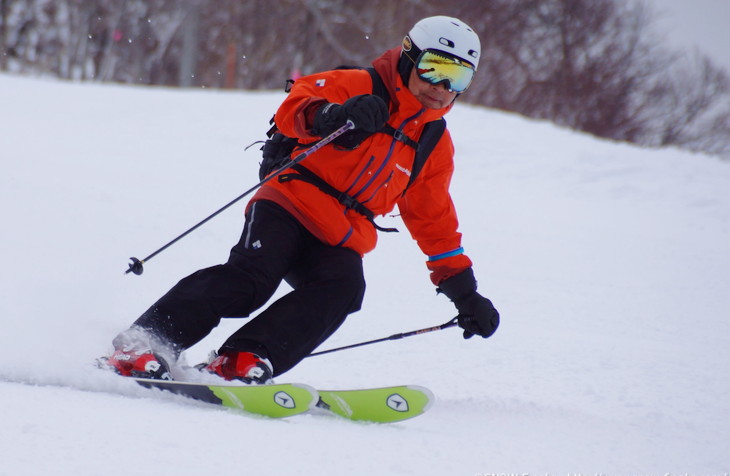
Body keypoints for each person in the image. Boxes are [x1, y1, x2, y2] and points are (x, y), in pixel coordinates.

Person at [104, 15, 500, 384]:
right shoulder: (358, 84)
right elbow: (295, 106)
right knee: (251, 281)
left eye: (458, 78)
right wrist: (334, 115)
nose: (442, 88)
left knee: (343, 288)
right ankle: (144, 343)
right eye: (435, 69)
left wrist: (464, 292)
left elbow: (433, 219)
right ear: (410, 58)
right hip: (290, 202)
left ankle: (241, 358)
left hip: (342, 233)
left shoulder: (432, 142)